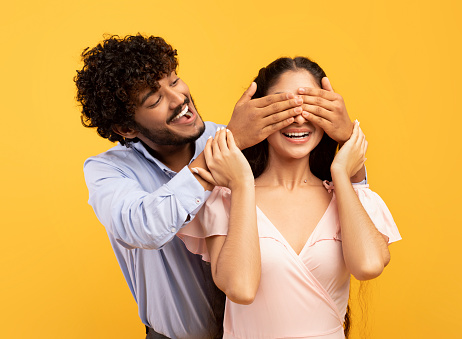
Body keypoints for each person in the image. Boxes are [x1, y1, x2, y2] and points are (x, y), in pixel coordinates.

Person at [75, 35, 359, 339]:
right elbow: (143, 228)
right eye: (155, 100)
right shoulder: (109, 171)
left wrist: (347, 139)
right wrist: (228, 148)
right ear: (127, 129)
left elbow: (315, 192)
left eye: (174, 80)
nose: (178, 99)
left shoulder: (231, 136)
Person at [178, 57, 401, 339]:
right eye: (283, 107)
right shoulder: (225, 200)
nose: (298, 118)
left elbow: (368, 266)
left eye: (310, 107)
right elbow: (241, 288)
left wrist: (343, 172)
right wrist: (244, 183)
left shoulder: (348, 197)